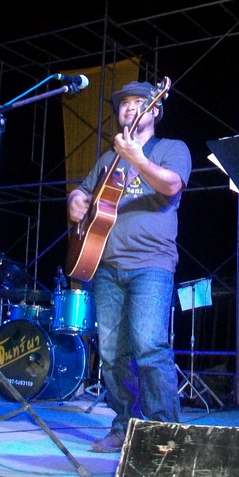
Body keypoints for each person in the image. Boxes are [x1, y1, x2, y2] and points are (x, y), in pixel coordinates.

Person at [67, 80, 191, 452]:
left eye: (139, 102)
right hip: (105, 264)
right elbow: (83, 190)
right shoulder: (108, 158)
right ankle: (124, 425)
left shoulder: (171, 148)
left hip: (151, 263)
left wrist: (136, 158)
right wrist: (75, 199)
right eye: (124, 103)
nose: (130, 107)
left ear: (155, 109)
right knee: (111, 354)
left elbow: (171, 185)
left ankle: (164, 433)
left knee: (149, 346)